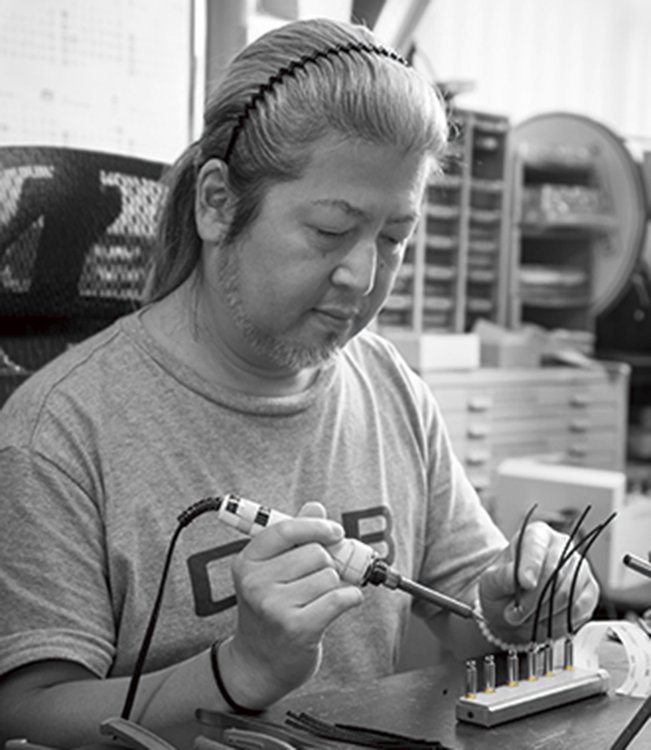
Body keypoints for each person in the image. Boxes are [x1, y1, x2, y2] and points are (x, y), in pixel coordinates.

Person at [0, 17, 599, 748]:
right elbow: (25, 717)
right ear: (217, 203)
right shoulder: (59, 433)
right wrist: (239, 671)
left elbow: (469, 620)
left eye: (393, 237)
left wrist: (514, 610)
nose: (363, 277)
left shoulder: (388, 386)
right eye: (329, 231)